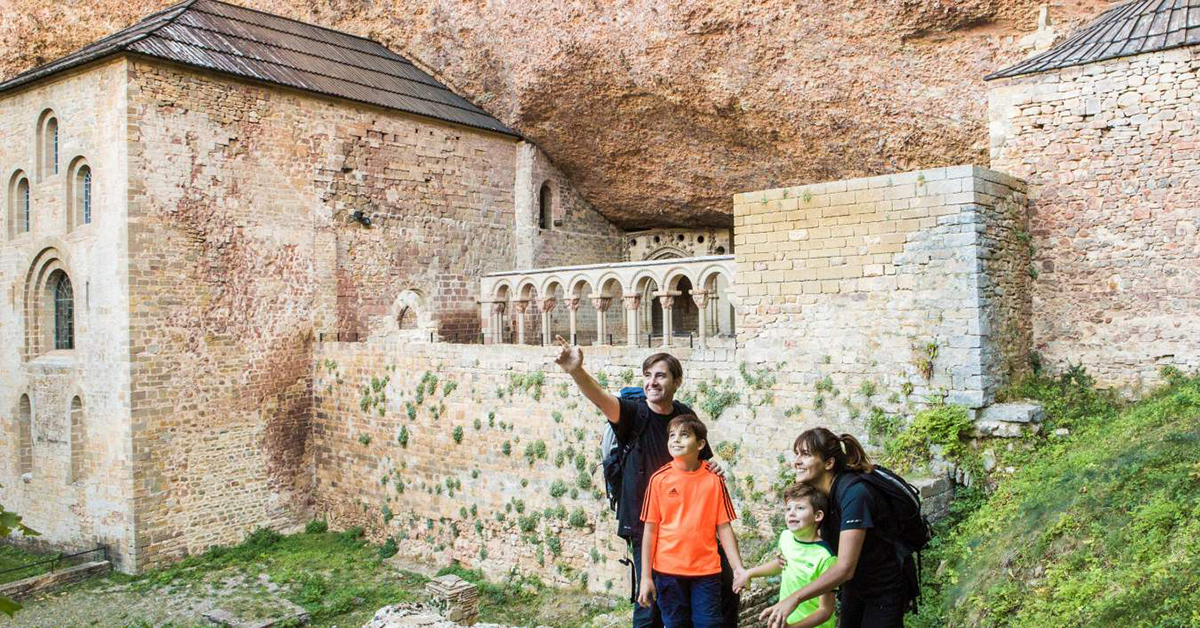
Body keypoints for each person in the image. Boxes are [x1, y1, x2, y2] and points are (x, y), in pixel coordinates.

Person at [553, 336, 736, 627]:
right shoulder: (632, 413)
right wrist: (576, 370)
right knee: (648, 601)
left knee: (719, 587)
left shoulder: (684, 414)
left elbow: (703, 461)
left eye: (660, 375)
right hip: (644, 524)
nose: (652, 382)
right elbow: (600, 397)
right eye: (648, 375)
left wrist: (714, 464)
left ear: (676, 382)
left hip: (687, 524)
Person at [760, 428, 910, 628]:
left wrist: (794, 599)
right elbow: (819, 539)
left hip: (883, 589)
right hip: (855, 587)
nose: (796, 461)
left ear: (829, 463)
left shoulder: (854, 495)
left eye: (805, 455)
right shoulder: (820, 494)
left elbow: (845, 568)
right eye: (796, 454)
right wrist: (788, 554)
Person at [638, 414, 745, 628]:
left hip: (706, 572)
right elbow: (650, 531)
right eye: (672, 435)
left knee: (709, 624)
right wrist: (645, 578)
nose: (676, 440)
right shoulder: (659, 479)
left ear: (700, 444)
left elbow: (724, 527)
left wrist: (738, 569)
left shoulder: (714, 480)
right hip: (668, 573)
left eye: (684, 435)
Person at [733, 483, 836, 628]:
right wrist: (750, 573)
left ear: (818, 516)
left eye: (800, 508)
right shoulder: (786, 537)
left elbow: (825, 611)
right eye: (788, 509)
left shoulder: (826, 558)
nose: (791, 513)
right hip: (786, 620)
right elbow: (782, 565)